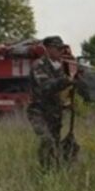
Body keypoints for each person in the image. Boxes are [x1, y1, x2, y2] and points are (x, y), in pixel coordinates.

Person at [28, 35, 75, 169]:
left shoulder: (59, 68)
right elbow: (46, 87)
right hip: (39, 112)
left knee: (55, 143)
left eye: (61, 49)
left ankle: (54, 171)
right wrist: (66, 80)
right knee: (47, 140)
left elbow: (62, 89)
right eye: (57, 48)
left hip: (54, 113)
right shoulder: (39, 65)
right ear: (48, 49)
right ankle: (45, 171)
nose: (60, 52)